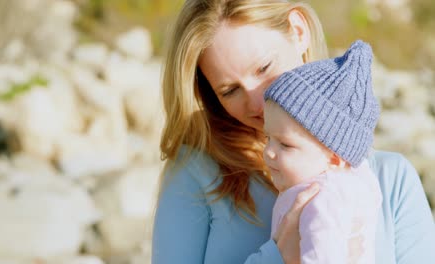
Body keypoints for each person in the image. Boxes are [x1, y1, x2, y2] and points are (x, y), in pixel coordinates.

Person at [152, 0, 435, 263]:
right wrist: (277, 255)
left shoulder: (391, 180)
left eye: (263, 68)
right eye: (230, 90)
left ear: (298, 32)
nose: (256, 102)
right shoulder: (196, 175)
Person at [263, 40, 382, 263]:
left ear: (335, 158)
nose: (268, 152)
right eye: (267, 138)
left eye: (285, 145)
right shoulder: (355, 183)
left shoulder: (321, 201)